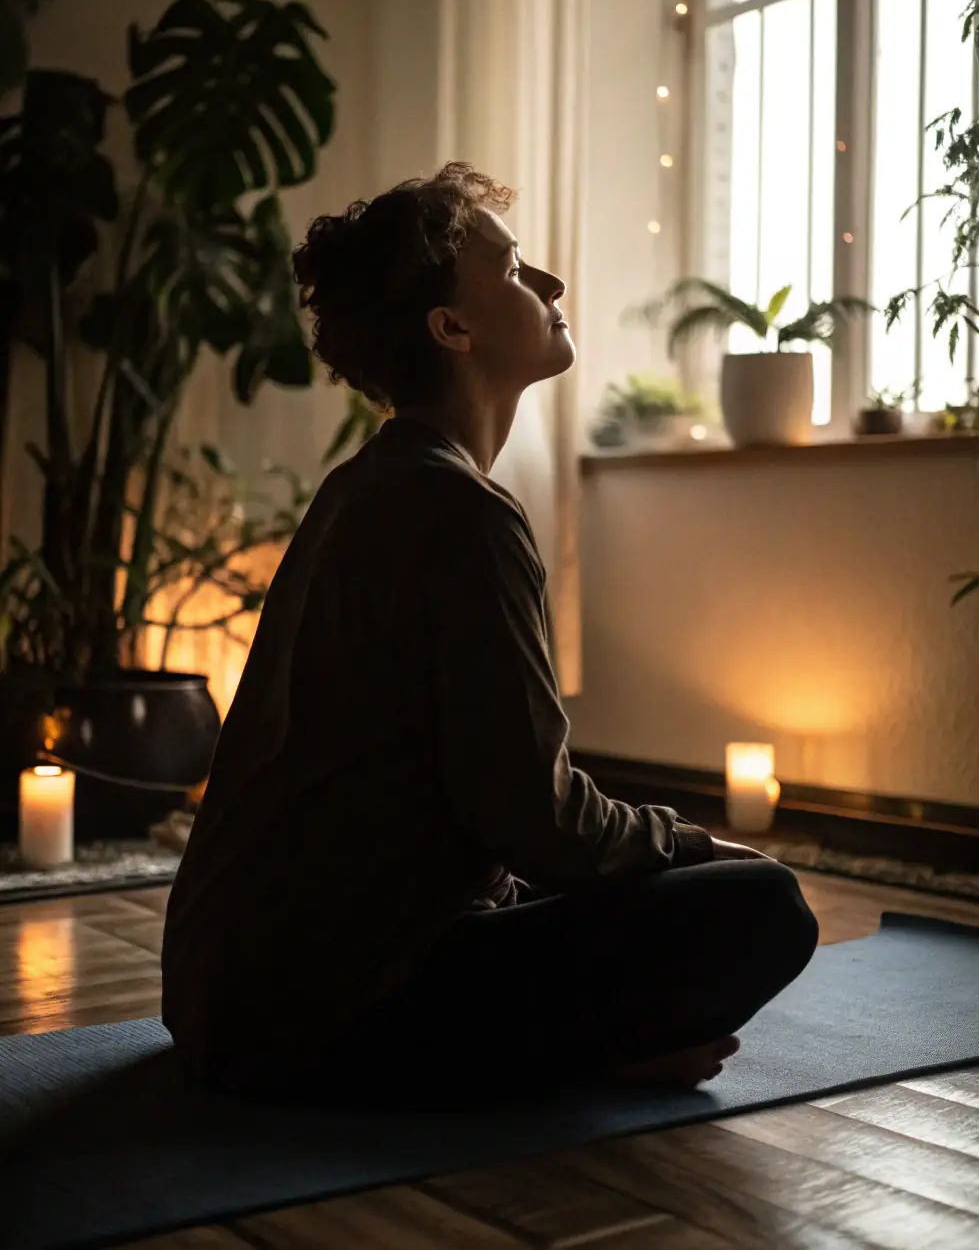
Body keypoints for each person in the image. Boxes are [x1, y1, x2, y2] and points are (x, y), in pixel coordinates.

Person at [161, 163, 818, 1102]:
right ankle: (571, 1061)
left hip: (227, 995)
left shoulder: (366, 486)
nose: (547, 286)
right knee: (766, 907)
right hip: (321, 1018)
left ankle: (564, 1041)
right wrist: (691, 843)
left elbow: (484, 816)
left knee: (636, 883)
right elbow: (543, 824)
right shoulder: (460, 511)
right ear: (452, 328)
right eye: (513, 271)